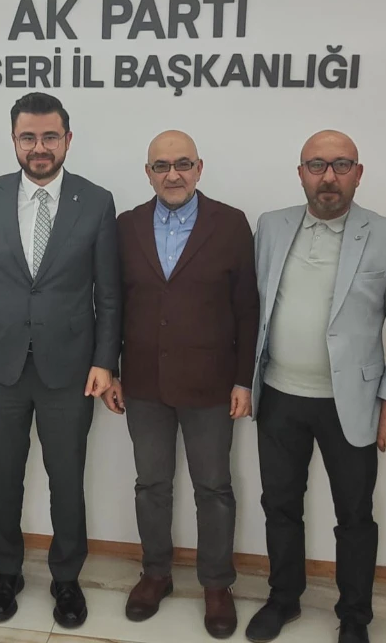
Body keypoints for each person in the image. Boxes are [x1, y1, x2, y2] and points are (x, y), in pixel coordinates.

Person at [246, 130, 386, 643]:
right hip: (278, 395)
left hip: (353, 402)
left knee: (354, 514)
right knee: (280, 505)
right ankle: (284, 599)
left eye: (341, 165)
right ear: (300, 173)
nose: (328, 177)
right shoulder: (271, 226)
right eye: (317, 165)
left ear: (358, 174)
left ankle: (354, 616)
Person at [0, 92, 121, 629]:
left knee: (66, 480)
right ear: (14, 140)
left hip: (70, 369)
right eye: (28, 137)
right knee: (1, 477)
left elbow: (109, 293)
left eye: (50, 136)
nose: (39, 147)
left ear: (68, 140)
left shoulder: (96, 201)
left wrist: (106, 360)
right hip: (0, 364)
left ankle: (66, 578)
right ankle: (7, 571)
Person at [101, 130, 259, 639]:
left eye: (183, 164)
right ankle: (156, 574)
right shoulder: (126, 226)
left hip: (212, 385)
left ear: (199, 168)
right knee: (151, 485)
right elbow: (113, 303)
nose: (173, 174)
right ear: (148, 173)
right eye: (161, 166)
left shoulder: (230, 223)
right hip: (144, 383)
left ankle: (216, 583)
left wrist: (244, 380)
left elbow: (247, 309)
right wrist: (111, 368)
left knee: (214, 488)